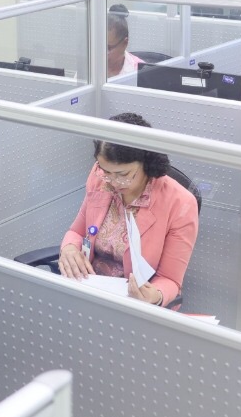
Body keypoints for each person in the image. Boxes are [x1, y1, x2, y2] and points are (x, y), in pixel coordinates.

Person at [58, 113, 199, 307]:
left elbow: (170, 279)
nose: (113, 182)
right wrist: (69, 248)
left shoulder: (180, 203)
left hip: (135, 303)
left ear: (146, 163)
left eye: (123, 174)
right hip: (90, 288)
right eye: (106, 171)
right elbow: (77, 231)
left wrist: (155, 296)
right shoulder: (100, 178)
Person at [106, 4, 142, 78]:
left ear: (125, 43)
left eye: (108, 48)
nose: (103, 53)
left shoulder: (140, 71)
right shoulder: (89, 65)